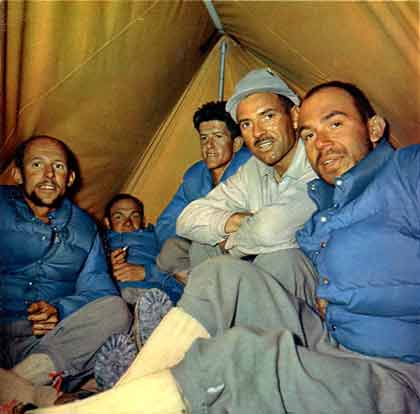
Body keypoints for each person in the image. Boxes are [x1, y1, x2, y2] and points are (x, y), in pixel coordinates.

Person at [32, 82, 420, 414]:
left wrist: (232, 234)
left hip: (394, 373)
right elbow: (182, 220)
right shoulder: (324, 198)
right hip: (331, 339)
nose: (322, 143)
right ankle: (130, 392)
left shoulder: (406, 173)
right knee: (220, 273)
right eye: (310, 135)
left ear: (373, 128)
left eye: (335, 123)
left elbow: (269, 230)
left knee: (240, 354)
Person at [0, 136, 131, 409]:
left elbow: (100, 292)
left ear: (69, 178)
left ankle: (16, 384)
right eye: (37, 164)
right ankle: (42, 396)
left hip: (49, 342)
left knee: (116, 311)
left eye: (58, 167)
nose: (49, 175)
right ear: (17, 173)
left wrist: (58, 310)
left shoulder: (86, 228)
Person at [176, 68, 317, 267]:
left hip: (319, 280)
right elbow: (186, 219)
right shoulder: (255, 168)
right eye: (246, 124)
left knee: (281, 259)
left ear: (295, 116)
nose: (258, 133)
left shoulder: (319, 159)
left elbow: (268, 230)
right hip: (265, 269)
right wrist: (239, 220)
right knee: (202, 247)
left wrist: (230, 242)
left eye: (268, 116)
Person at [155, 101, 251, 282]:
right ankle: (199, 289)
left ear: (236, 143)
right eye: (204, 138)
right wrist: (196, 235)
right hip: (199, 247)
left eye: (218, 137)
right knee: (170, 250)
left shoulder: (251, 166)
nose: (209, 146)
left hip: (241, 250)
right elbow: (166, 223)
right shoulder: (195, 175)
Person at [103, 193, 183, 306]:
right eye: (118, 217)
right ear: (107, 222)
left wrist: (147, 272)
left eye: (134, 216)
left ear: (143, 220)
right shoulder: (98, 244)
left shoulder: (159, 238)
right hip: (116, 300)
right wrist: (105, 267)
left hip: (157, 295)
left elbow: (181, 281)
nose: (128, 223)